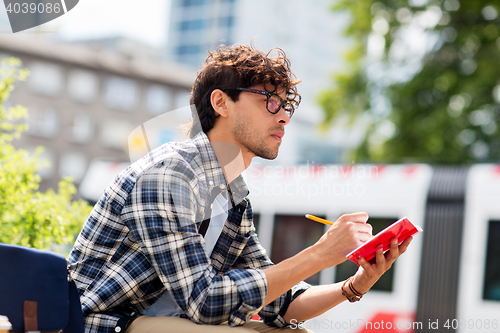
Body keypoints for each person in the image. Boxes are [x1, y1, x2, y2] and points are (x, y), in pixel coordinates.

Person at [68, 44, 412, 333]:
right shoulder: (169, 175)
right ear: (221, 103)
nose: (283, 117)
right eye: (269, 100)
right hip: (107, 324)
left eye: (286, 105)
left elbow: (280, 303)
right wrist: (321, 253)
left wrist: (354, 286)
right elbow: (204, 301)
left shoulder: (233, 197)